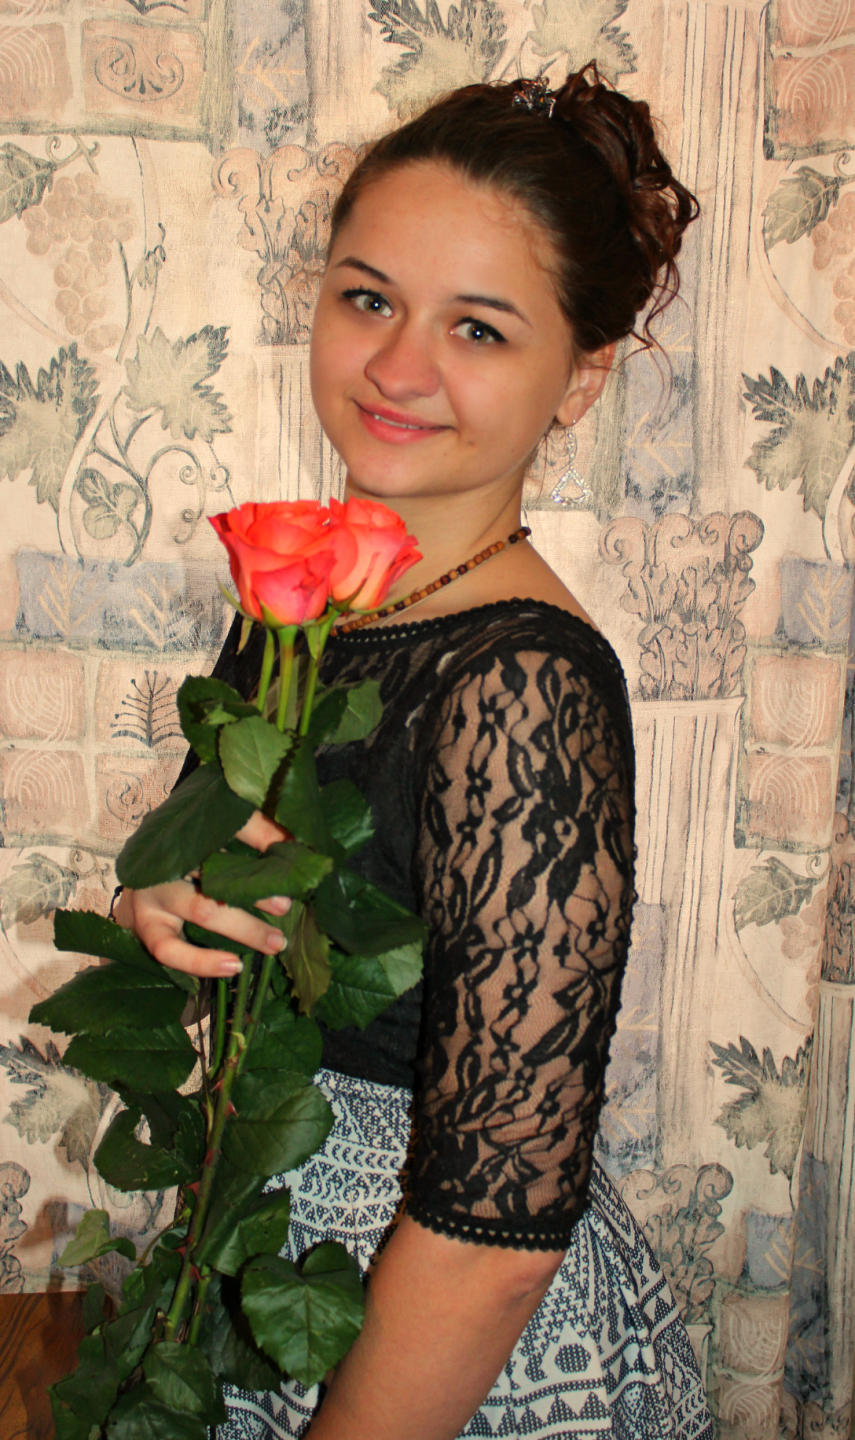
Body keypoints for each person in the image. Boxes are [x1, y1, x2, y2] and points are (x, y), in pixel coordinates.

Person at [114, 67, 713, 1439]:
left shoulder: (521, 687)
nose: (396, 368)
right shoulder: (303, 605)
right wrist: (164, 890)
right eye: (368, 298)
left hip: (434, 1365)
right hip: (269, 1267)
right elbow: (241, 907)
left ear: (582, 379)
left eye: (479, 328)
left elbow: (494, 1235)